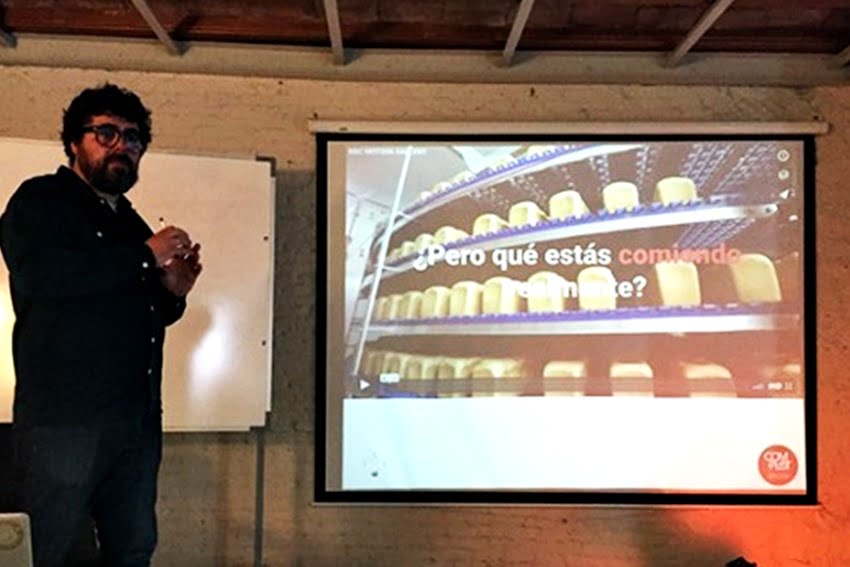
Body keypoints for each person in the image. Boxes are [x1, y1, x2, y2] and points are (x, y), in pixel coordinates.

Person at [0, 83, 202, 567]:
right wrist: (146, 256)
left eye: (133, 138)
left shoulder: (129, 222)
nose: (121, 147)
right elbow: (42, 279)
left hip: (134, 423)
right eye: (106, 133)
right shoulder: (41, 200)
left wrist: (173, 293)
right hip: (64, 424)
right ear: (74, 142)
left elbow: (139, 314)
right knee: (48, 548)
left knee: (131, 550)